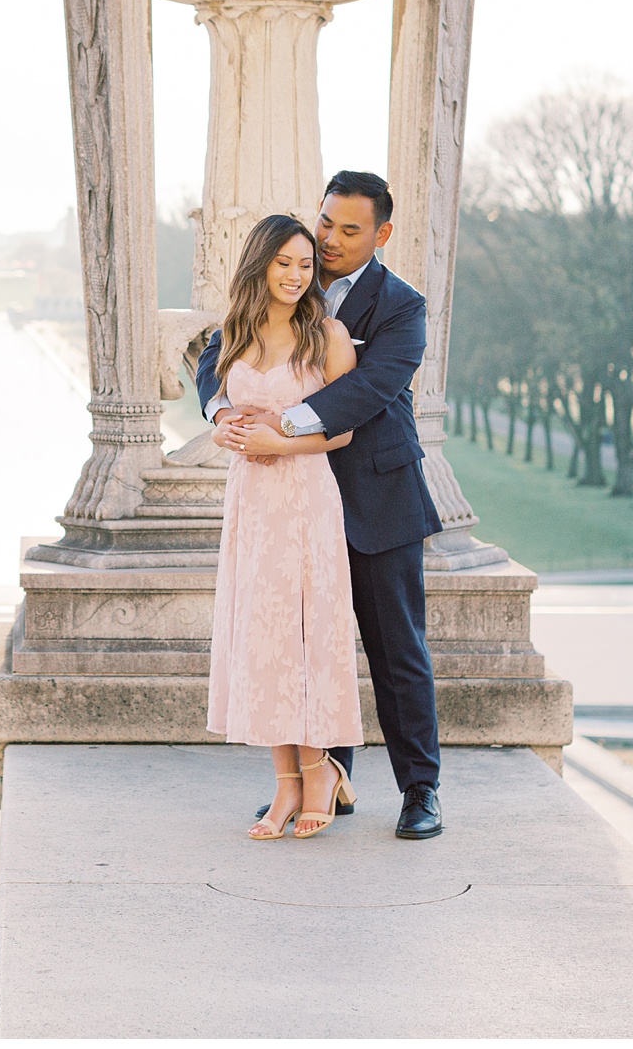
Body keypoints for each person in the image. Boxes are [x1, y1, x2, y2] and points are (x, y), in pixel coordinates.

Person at [196, 171, 447, 840]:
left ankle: (420, 787)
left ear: (382, 235)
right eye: (326, 222)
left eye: (348, 229)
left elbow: (366, 393)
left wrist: (280, 427)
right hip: (287, 502)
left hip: (376, 495)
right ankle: (324, 774)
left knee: (397, 649)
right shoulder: (283, 285)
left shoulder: (401, 307)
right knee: (300, 636)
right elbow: (217, 354)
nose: (330, 239)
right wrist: (223, 410)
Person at [205, 214, 362, 839]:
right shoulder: (234, 334)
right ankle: (284, 784)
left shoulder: (326, 334)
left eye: (305, 264)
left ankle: (321, 768)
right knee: (262, 634)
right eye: (283, 264)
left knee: (307, 631)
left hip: (305, 496)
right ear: (260, 265)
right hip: (251, 502)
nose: (297, 275)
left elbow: (345, 428)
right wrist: (227, 431)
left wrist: (280, 442)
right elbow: (222, 410)